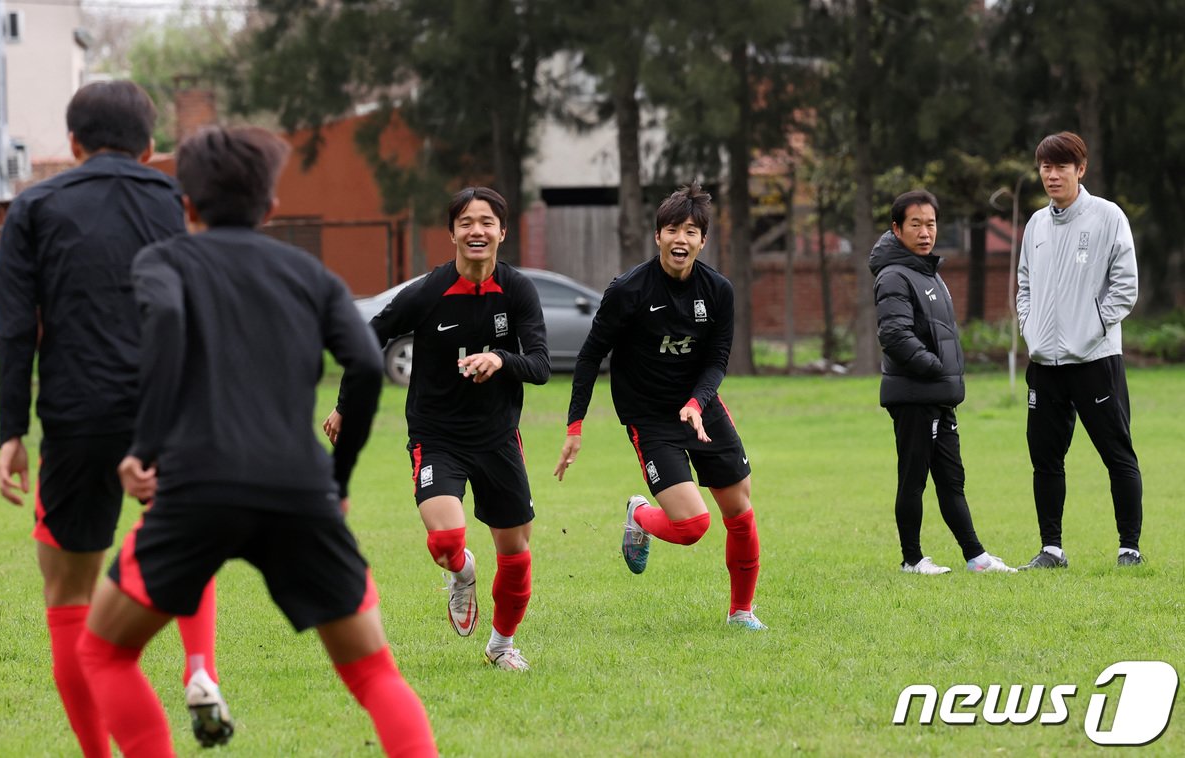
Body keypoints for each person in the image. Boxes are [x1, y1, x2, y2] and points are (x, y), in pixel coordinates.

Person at [75, 125, 437, 758]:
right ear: (271, 208)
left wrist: (144, 448)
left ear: (185, 204)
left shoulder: (162, 261)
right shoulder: (310, 275)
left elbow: (163, 327)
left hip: (195, 489)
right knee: (374, 673)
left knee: (104, 652)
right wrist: (338, 478)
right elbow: (360, 362)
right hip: (299, 490)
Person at [0, 80, 229, 755]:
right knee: (183, 540)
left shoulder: (33, 206)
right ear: (151, 147)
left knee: (68, 593)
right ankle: (199, 666)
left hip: (77, 415)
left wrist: (12, 431)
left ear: (72, 145)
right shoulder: (182, 203)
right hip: (174, 408)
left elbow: (15, 330)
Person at [324, 186, 549, 671]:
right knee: (447, 545)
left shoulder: (518, 291)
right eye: (466, 222)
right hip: (437, 436)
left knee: (516, 552)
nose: (477, 231)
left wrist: (500, 358)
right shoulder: (428, 292)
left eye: (487, 222)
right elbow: (368, 338)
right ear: (451, 233)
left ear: (502, 232)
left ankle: (502, 646)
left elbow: (540, 365)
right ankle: (461, 573)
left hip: (498, 438)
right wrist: (346, 406)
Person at [554, 182, 766, 631]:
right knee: (692, 527)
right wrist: (575, 426)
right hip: (649, 418)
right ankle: (639, 517)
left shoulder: (719, 291)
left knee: (740, 511)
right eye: (672, 229)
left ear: (703, 241)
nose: (681, 239)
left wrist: (696, 402)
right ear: (658, 237)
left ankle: (741, 613)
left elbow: (718, 359)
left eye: (691, 231)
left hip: (701, 410)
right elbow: (591, 355)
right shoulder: (628, 290)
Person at [1015, 131, 1143, 570]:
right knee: (1045, 459)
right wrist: (1031, 331)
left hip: (1095, 361)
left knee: (1117, 453)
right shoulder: (1035, 225)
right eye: (1045, 167)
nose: (1052, 175)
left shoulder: (1108, 217)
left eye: (1061, 167)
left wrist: (1092, 328)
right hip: (1044, 365)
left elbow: (1125, 288)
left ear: (1080, 169)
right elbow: (1025, 286)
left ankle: (1130, 547)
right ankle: (1051, 548)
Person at [871, 190, 1016, 575]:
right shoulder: (894, 276)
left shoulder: (926, 271)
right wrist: (936, 368)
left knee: (952, 480)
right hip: (915, 396)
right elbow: (896, 337)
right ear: (897, 229)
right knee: (913, 478)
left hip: (938, 396)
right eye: (915, 224)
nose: (925, 232)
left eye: (931, 224)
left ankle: (976, 557)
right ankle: (912, 559)